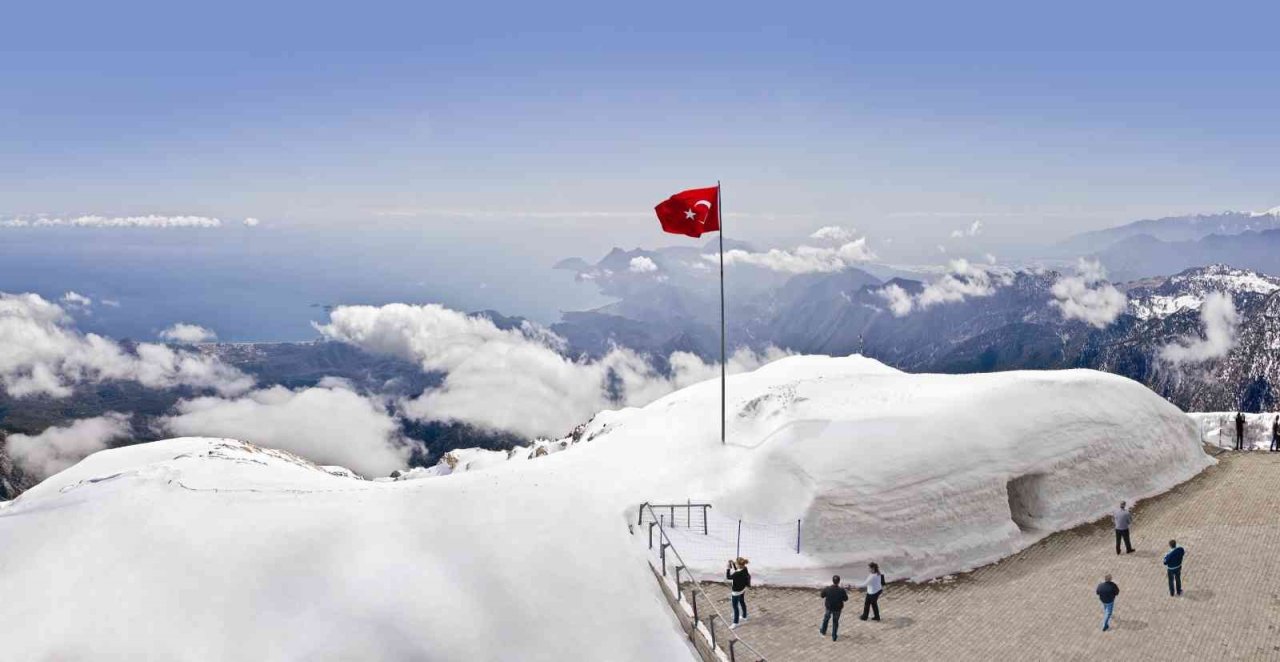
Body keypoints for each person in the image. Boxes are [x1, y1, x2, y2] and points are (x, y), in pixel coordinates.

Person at [818, 575, 849, 641]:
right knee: (835, 622)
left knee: (826, 619)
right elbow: (846, 599)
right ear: (839, 582)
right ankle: (834, 636)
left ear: (832, 581)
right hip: (837, 609)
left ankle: (823, 631)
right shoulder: (841, 590)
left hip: (829, 607)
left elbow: (822, 595)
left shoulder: (827, 588)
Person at [726, 558, 750, 629]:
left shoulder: (736, 574)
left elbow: (728, 577)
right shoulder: (745, 569)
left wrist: (728, 568)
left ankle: (735, 623)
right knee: (742, 602)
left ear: (739, 565)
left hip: (736, 592)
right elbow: (737, 569)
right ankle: (744, 616)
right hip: (743, 589)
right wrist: (733, 563)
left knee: (735, 607)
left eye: (736, 563)